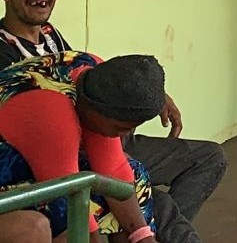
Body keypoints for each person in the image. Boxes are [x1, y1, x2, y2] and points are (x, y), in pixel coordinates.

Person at [0, 0, 226, 243]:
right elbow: (67, 181)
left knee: (204, 159)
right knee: (138, 190)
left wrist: (150, 95)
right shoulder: (15, 65)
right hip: (38, 159)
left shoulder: (53, 38)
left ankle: (153, 227)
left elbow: (93, 76)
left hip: (95, 137)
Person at [0, 51, 166, 242]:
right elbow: (71, 199)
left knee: (134, 179)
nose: (126, 135)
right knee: (48, 222)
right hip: (12, 170)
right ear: (97, 109)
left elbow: (114, 171)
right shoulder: (52, 114)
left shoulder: (97, 75)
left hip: (36, 163)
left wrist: (142, 235)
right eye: (121, 128)